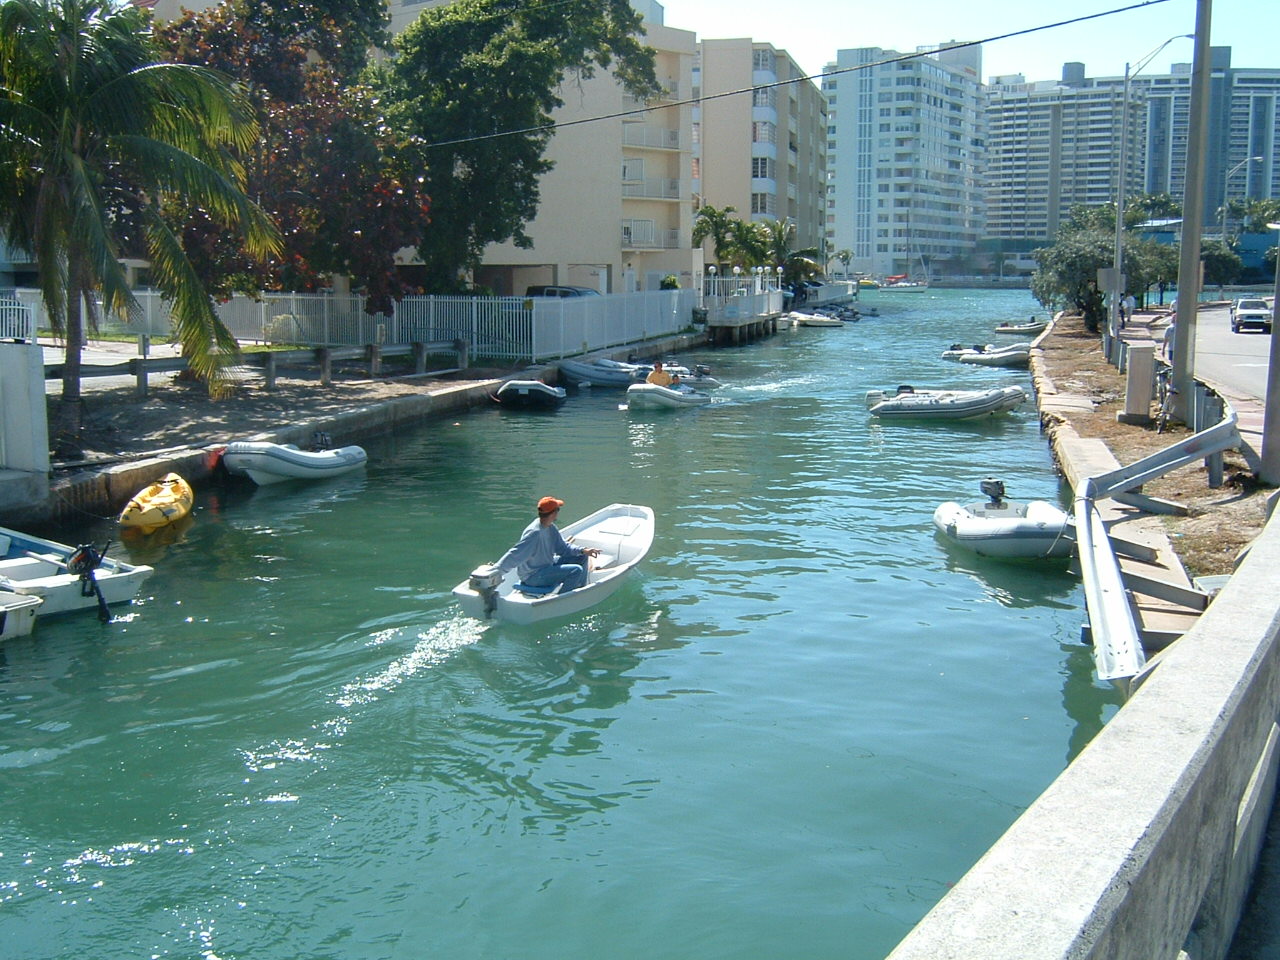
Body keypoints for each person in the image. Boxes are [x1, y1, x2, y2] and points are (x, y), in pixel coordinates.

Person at [493, 496, 599, 593]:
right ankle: (562, 599)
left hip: (546, 566)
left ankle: (580, 589)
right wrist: (496, 571)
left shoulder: (550, 527)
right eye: (558, 510)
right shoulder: (534, 533)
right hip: (533, 576)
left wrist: (583, 550)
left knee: (582, 557)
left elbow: (563, 548)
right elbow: (515, 554)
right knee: (576, 570)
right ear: (553, 513)